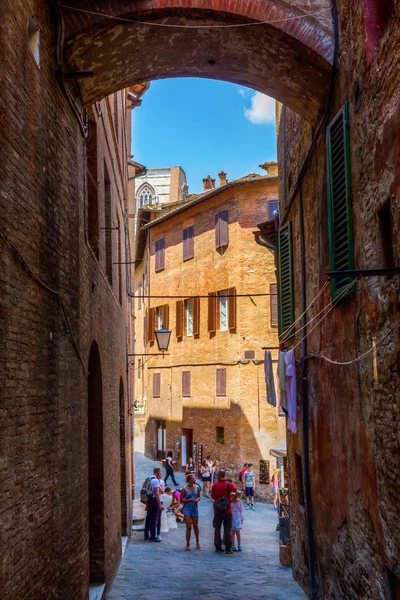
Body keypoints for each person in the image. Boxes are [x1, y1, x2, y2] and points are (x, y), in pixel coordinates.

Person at [211, 470, 238, 554]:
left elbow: (213, 496)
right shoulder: (229, 484)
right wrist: (231, 500)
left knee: (217, 529)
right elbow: (238, 492)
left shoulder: (215, 485)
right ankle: (228, 548)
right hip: (227, 509)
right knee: (227, 529)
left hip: (218, 510)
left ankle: (218, 547)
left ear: (218, 475)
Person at [181, 473, 201, 551]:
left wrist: (197, 500)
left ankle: (197, 542)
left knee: (196, 526)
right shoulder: (184, 489)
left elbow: (199, 496)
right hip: (187, 508)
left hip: (194, 507)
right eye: (193, 478)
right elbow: (181, 499)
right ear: (189, 480)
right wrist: (189, 500)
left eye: (194, 478)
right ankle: (188, 544)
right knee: (188, 526)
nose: (194, 479)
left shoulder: (197, 487)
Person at [144, 467, 164, 542]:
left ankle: (146, 535)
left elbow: (145, 491)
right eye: (160, 472)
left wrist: (146, 503)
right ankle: (152, 537)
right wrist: (159, 504)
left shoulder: (148, 478)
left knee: (148, 517)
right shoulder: (155, 480)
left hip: (148, 500)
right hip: (153, 500)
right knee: (154, 518)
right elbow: (156, 493)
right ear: (158, 472)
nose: (160, 473)